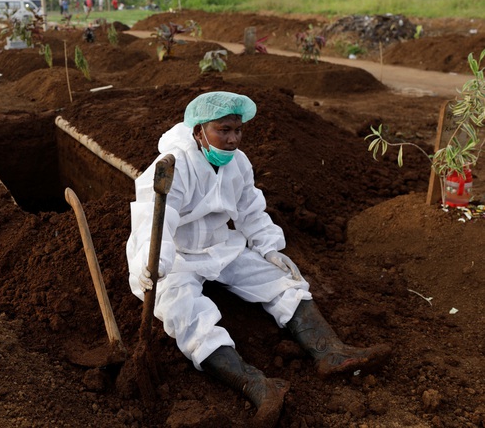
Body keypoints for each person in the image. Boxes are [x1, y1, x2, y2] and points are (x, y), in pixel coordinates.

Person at [126, 91, 392, 427]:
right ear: (198, 131)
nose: (233, 138)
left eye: (238, 130)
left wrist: (269, 248)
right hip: (176, 255)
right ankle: (257, 384)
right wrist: (154, 266)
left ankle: (330, 351)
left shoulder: (238, 162)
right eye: (224, 130)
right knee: (185, 313)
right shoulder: (171, 166)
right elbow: (155, 220)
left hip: (221, 245)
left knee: (282, 280)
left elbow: (251, 208)